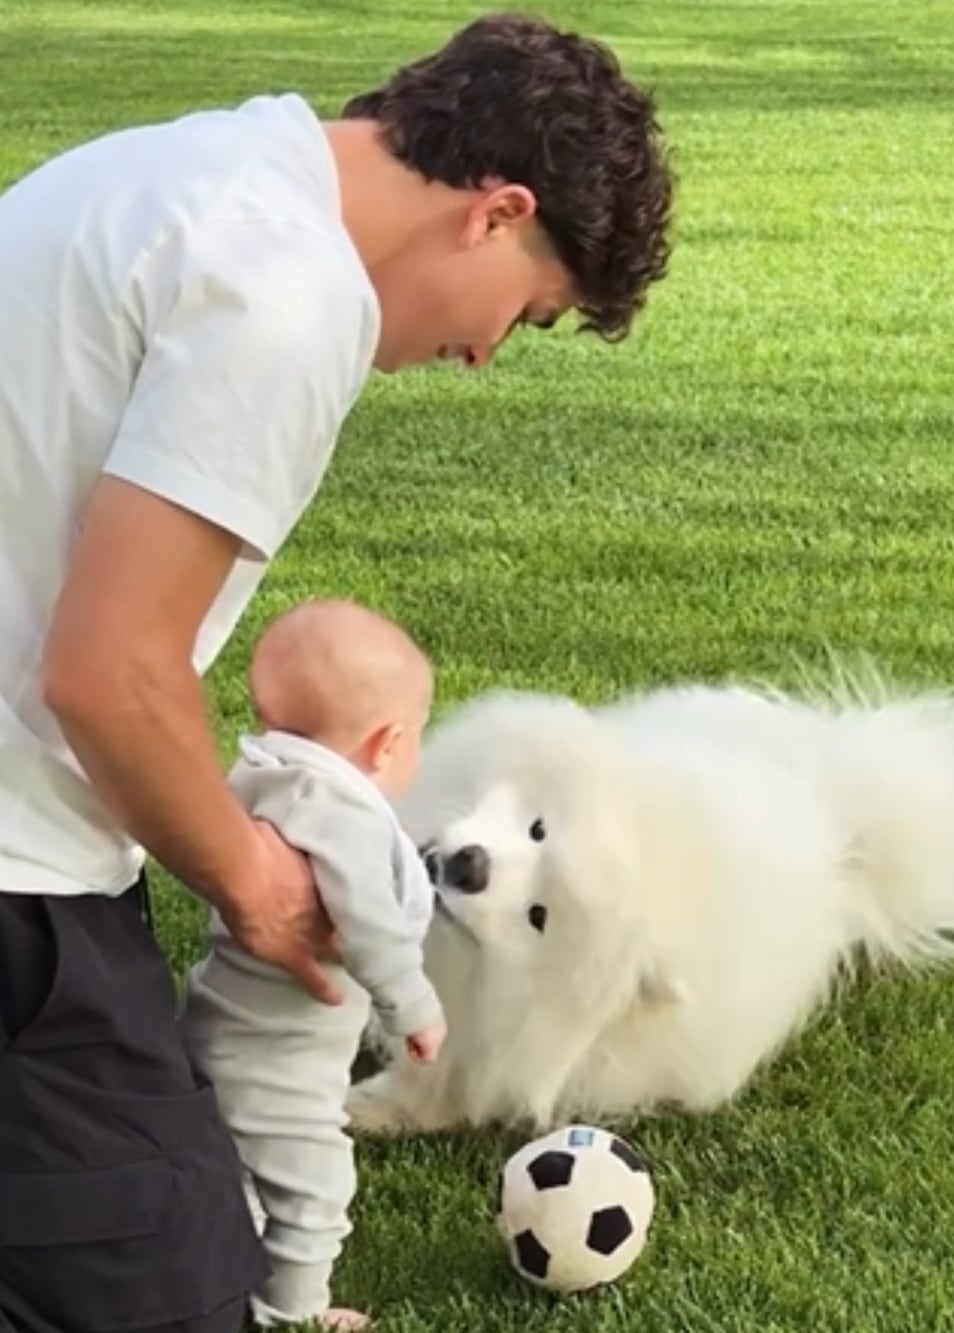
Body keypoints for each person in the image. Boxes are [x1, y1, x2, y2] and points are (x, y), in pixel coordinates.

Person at [0, 13, 673, 1332]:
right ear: (498, 212)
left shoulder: (173, 173)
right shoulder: (289, 290)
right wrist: (256, 883)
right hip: (17, 879)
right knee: (176, 1290)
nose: (483, 357)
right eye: (526, 318)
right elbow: (110, 676)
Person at [180, 599, 445, 1332]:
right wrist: (412, 1003)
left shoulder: (259, 776)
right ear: (387, 743)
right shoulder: (343, 812)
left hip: (217, 1022)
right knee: (316, 1189)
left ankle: (225, 1274)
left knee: (237, 1172)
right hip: (283, 1063)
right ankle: (289, 1312)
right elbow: (365, 915)